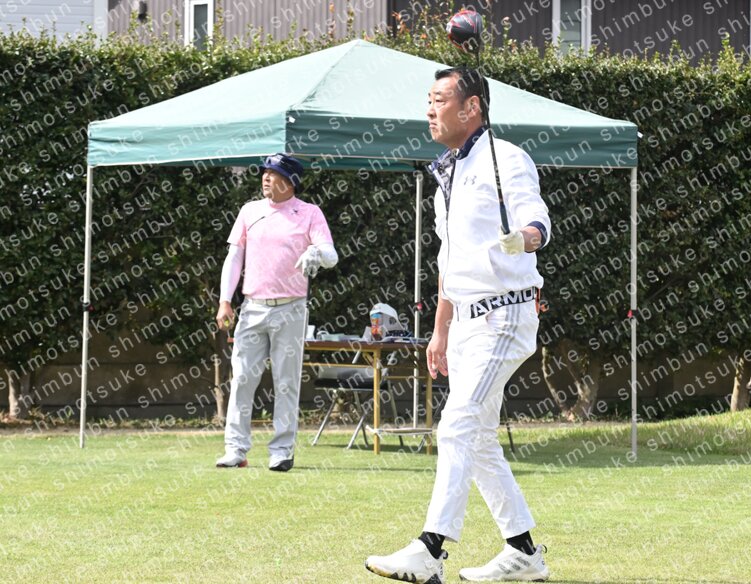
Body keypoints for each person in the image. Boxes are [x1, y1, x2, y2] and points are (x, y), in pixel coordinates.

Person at [365, 68, 551, 582]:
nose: (429, 110)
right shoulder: (446, 175)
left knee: (457, 425)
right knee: (481, 438)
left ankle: (430, 550)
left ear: (471, 108)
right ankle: (524, 552)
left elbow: (538, 220)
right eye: (428, 100)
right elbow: (449, 262)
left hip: (505, 315)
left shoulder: (507, 158)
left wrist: (525, 237)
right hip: (466, 322)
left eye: (439, 100)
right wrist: (441, 330)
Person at [215, 153, 338, 472]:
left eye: (274, 173)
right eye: (265, 172)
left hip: (291, 309)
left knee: (286, 382)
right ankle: (235, 449)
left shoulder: (309, 213)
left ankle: (282, 451)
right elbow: (234, 257)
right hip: (252, 307)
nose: (266, 178)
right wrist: (225, 300)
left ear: (290, 181)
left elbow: (331, 254)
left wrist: (316, 253)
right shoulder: (250, 211)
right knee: (242, 378)